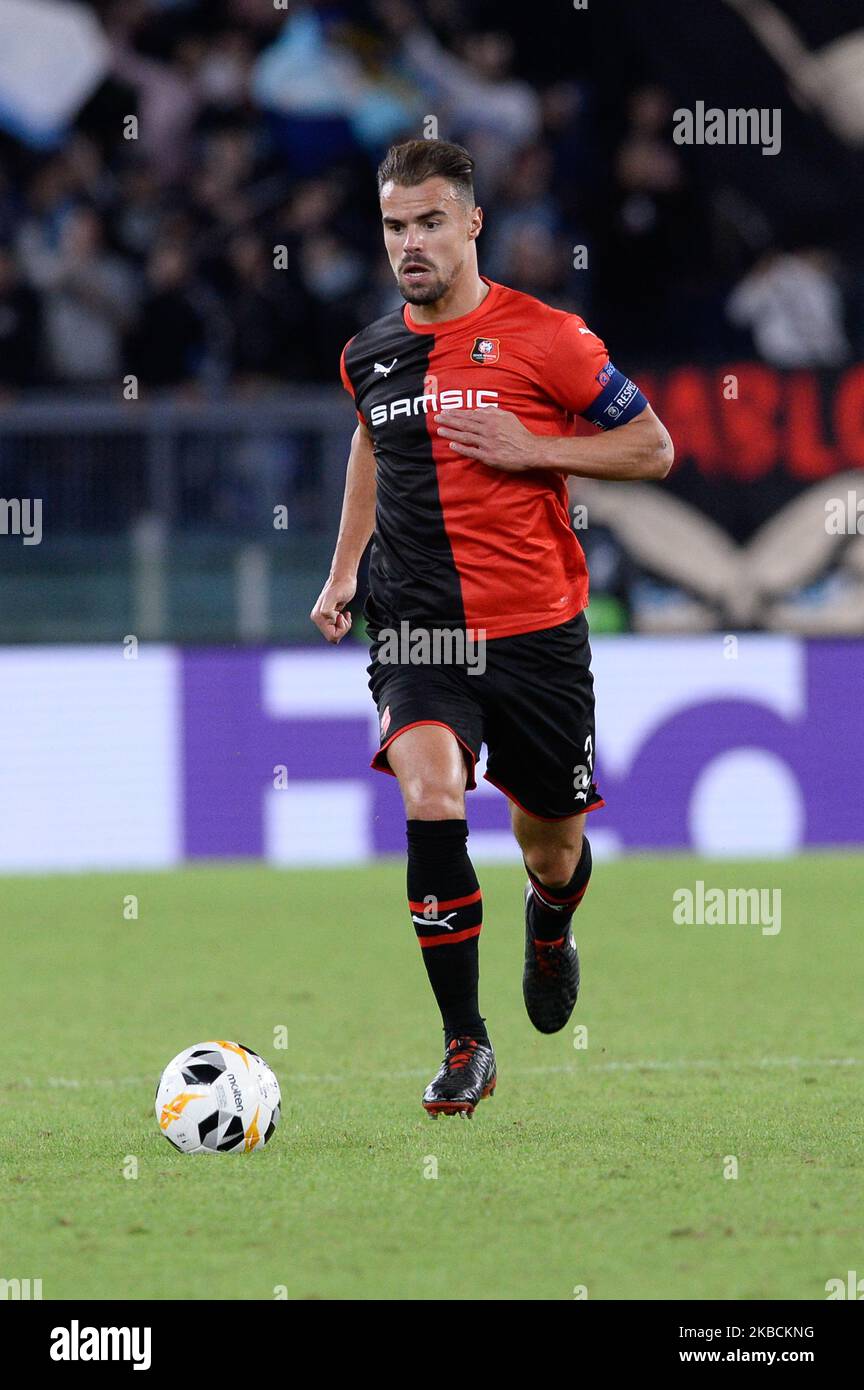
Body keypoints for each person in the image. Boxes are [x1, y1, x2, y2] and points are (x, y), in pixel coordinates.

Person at [311, 140, 673, 1116]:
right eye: (394, 226)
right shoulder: (370, 355)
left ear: (472, 224)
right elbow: (369, 445)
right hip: (419, 628)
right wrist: (346, 571)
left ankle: (548, 927)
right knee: (430, 796)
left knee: (549, 845)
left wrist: (536, 446)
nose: (410, 243)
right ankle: (465, 1042)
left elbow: (653, 444)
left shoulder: (549, 338)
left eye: (430, 222)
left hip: (537, 635)